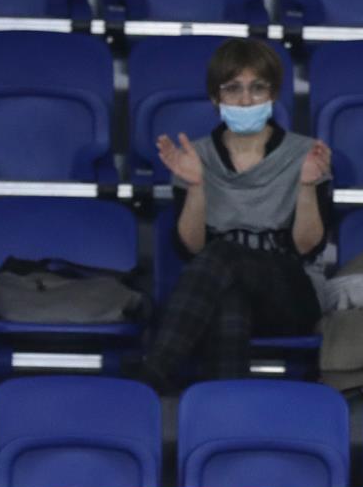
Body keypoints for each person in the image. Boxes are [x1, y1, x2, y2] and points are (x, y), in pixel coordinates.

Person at [142, 38, 332, 389]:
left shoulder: (305, 154)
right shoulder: (194, 156)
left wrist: (306, 186)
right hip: (217, 288)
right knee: (230, 303)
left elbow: (307, 248)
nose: (246, 100)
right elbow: (190, 249)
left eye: (257, 88)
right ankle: (225, 407)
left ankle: (153, 371)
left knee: (224, 255)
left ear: (273, 94)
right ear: (216, 97)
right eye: (233, 89)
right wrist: (197, 186)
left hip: (289, 294)